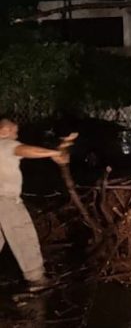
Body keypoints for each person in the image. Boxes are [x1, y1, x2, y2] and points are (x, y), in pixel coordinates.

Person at [0, 117, 71, 291]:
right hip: (6, 201)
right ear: (2, 131)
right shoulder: (6, 145)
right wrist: (54, 154)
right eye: (13, 130)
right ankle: (36, 279)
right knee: (23, 235)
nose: (17, 133)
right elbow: (26, 150)